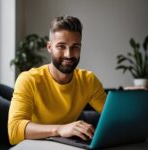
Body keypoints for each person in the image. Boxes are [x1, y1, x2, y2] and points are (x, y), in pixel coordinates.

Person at [8, 15, 106, 145]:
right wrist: (60, 129)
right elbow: (14, 131)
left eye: (75, 46)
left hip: (64, 145)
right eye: (61, 46)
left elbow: (115, 117)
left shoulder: (88, 80)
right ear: (49, 47)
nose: (69, 54)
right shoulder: (28, 79)